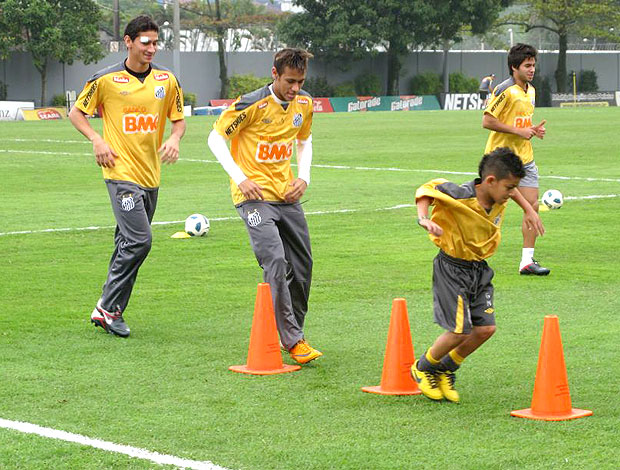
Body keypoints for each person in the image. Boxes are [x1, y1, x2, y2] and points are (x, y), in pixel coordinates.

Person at [69, 15, 186, 337]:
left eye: (155, 42)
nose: (151, 48)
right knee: (139, 241)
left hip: (151, 176)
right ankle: (109, 308)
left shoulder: (167, 80)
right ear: (129, 41)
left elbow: (178, 120)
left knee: (126, 243)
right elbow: (76, 112)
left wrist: (174, 139)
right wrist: (97, 140)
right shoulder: (106, 79)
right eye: (145, 42)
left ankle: (106, 308)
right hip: (120, 173)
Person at [207, 48, 321, 364]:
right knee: (275, 259)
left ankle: (293, 330)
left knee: (302, 264)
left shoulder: (305, 104)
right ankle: (293, 340)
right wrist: (241, 178)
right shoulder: (252, 104)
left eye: (300, 81)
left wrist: (305, 177)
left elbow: (304, 140)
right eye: (289, 81)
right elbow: (215, 139)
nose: (295, 88)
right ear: (274, 74)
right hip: (253, 198)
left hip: (286, 196)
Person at [411, 147, 544, 403]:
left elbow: (515, 190)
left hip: (480, 269)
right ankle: (422, 367)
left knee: (485, 329)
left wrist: (529, 209)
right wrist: (423, 219)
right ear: (491, 181)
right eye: (508, 187)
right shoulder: (459, 194)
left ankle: (445, 368)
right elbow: (426, 191)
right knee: (460, 331)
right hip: (452, 267)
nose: (511, 193)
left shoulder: (500, 195)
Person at [482, 43, 549, 276]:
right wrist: (518, 131)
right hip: (501, 161)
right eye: (527, 65)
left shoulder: (531, 90)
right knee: (491, 212)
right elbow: (487, 121)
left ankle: (527, 262)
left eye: (533, 65)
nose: (532, 69)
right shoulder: (504, 89)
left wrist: (531, 130)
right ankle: (475, 256)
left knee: (532, 206)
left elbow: (520, 122)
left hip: (526, 159)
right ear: (514, 67)